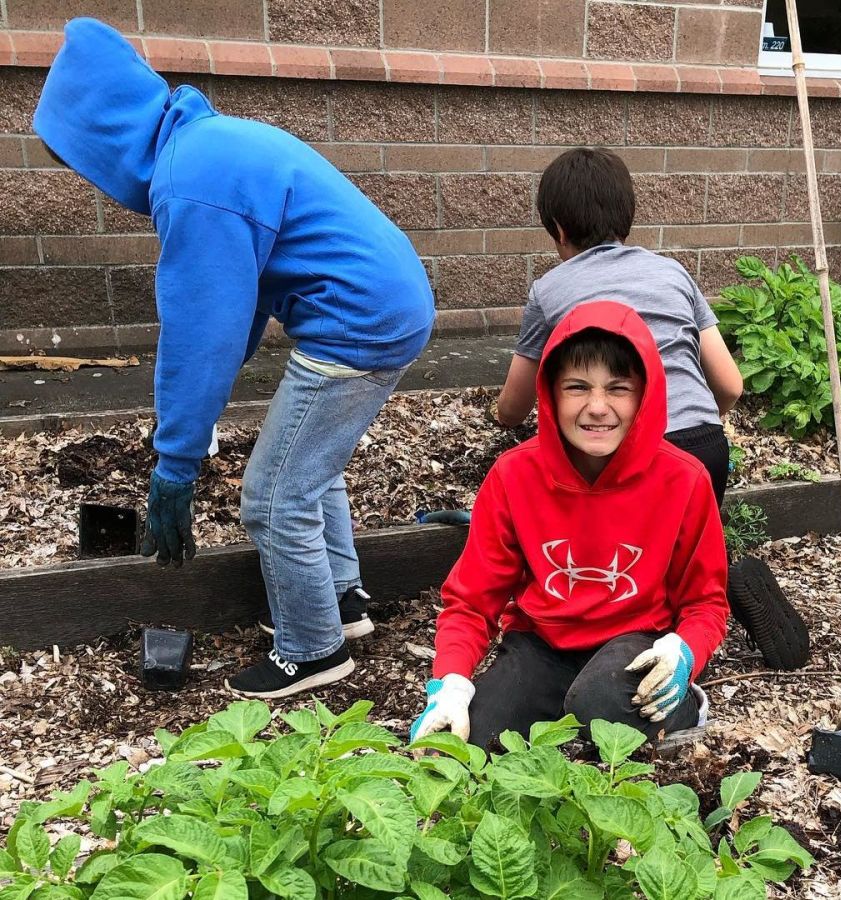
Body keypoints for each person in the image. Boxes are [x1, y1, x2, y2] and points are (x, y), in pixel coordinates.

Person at [34, 18, 435, 698]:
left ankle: (313, 651)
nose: (92, 182)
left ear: (105, 136)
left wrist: (176, 463)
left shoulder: (190, 182)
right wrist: (195, 418)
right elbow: (237, 307)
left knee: (272, 498)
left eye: (81, 162)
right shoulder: (209, 148)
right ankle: (341, 599)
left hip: (356, 323)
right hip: (388, 306)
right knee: (310, 463)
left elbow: (201, 334)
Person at [410, 302, 728, 748]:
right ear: (551, 393)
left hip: (636, 640)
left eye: (618, 388)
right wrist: (452, 681)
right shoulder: (513, 475)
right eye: (577, 387)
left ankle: (682, 706)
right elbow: (471, 600)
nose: (597, 407)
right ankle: (565, 709)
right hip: (542, 642)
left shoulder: (685, 479)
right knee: (470, 742)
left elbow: (705, 603)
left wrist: (686, 650)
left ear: (645, 394)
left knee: (601, 706)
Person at [494, 147, 743, 505]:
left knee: (617, 556)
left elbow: (515, 406)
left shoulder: (548, 290)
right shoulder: (673, 273)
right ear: (627, 217)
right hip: (704, 451)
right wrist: (693, 422)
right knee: (684, 556)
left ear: (559, 231)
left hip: (615, 450)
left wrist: (498, 415)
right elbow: (731, 385)